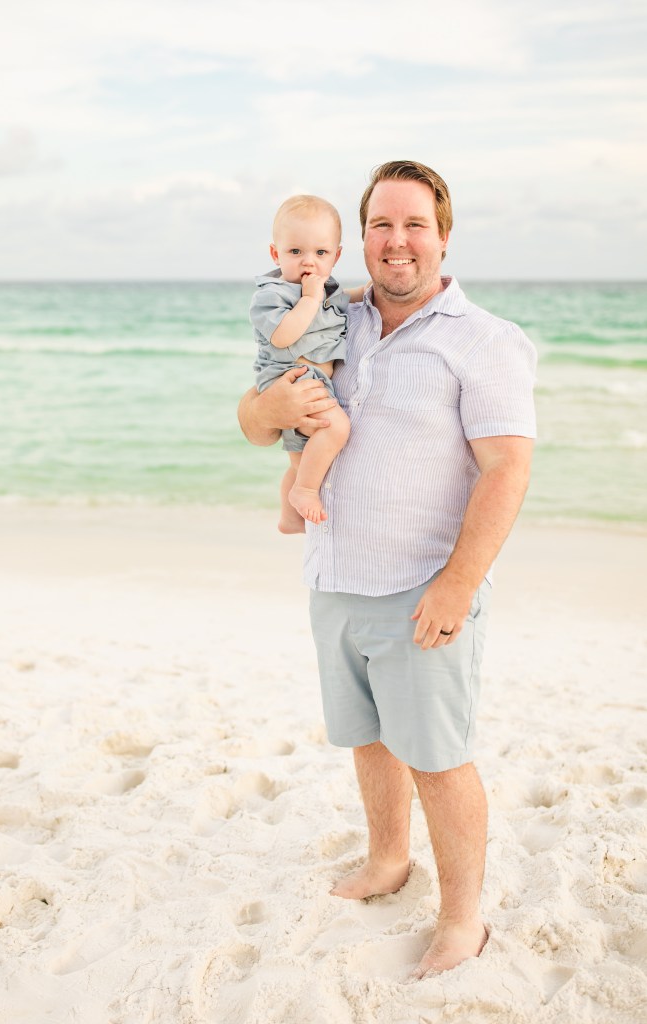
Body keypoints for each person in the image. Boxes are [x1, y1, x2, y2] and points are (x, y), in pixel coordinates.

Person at [237, 160, 536, 979]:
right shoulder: (334, 313)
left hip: (423, 589)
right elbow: (256, 422)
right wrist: (265, 409)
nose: (396, 241)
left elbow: (506, 470)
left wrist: (457, 585)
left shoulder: (484, 340)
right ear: (359, 237)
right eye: (380, 224)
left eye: (414, 225)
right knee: (368, 740)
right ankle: (387, 860)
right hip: (335, 575)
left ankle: (462, 920)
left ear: (443, 237)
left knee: (437, 759)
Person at [251, 195, 365, 532]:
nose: (308, 263)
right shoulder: (272, 295)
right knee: (337, 427)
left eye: (321, 253)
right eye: (295, 251)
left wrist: (369, 291)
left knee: (300, 461)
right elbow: (283, 335)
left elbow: (346, 299)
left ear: (336, 256)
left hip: (313, 382)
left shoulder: (325, 291)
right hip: (290, 379)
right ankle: (304, 491)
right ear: (276, 254)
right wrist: (311, 299)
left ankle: (289, 519)